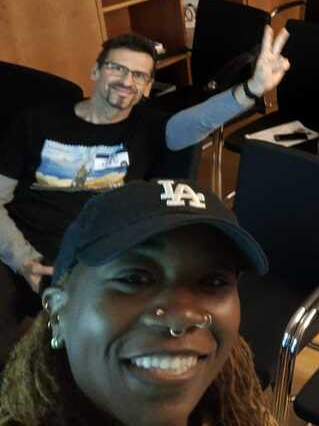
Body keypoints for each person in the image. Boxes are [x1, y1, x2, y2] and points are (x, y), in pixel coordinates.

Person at [0, 28, 290, 369]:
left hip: (96, 258)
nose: (127, 81)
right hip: (18, 250)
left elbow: (200, 120)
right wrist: (23, 260)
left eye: (139, 75)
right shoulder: (37, 121)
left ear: (148, 87)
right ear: (96, 71)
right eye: (117, 68)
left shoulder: (149, 128)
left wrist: (252, 88)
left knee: (87, 358)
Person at [0, 179, 276, 425]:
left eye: (213, 282)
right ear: (58, 313)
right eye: (135, 279)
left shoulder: (239, 410)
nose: (182, 316)